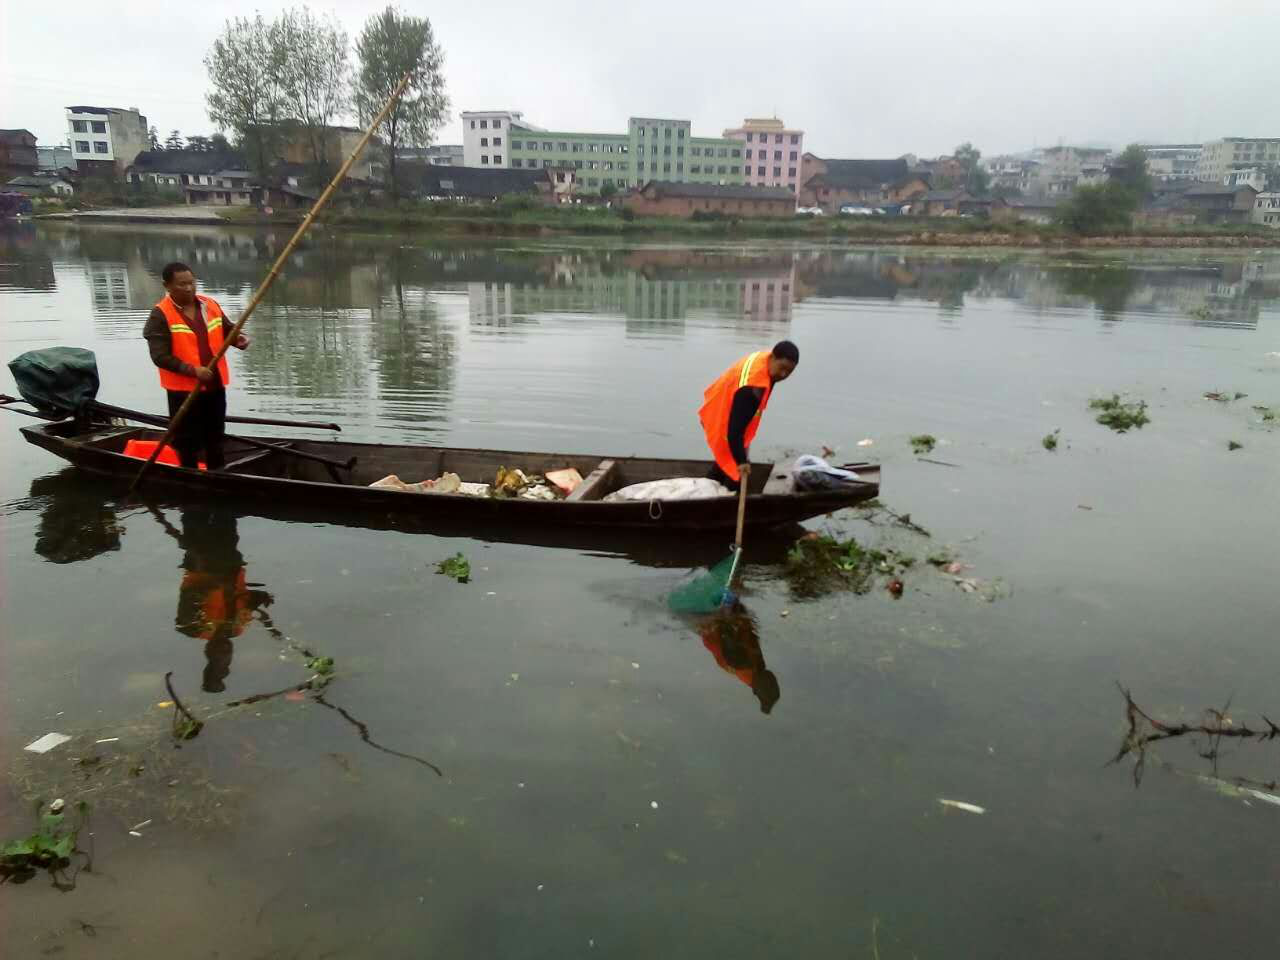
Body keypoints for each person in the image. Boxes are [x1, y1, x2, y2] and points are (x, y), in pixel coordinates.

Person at [143, 261, 249, 469]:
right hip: (183, 391)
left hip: (214, 386)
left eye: (192, 282)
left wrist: (239, 339)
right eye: (182, 284)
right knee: (186, 441)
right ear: (167, 286)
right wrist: (192, 371)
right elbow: (159, 356)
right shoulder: (160, 315)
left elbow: (227, 330)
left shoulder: (210, 305)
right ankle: (189, 476)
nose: (189, 288)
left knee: (215, 436)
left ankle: (217, 475)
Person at [171, 506, 273, 693]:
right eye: (228, 653)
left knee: (196, 516)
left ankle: (195, 493)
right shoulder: (237, 628)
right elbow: (245, 600)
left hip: (201, 560)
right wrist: (261, 598)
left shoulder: (193, 627)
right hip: (231, 561)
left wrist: (217, 584)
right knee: (225, 516)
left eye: (220, 652)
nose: (225, 649)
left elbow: (190, 593)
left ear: (209, 651)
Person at [698, 340, 799, 492]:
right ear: (772, 357)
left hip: (726, 405)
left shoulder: (766, 363)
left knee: (728, 459)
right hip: (721, 416)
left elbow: (740, 426)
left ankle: (707, 491)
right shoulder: (752, 389)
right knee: (736, 471)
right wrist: (742, 462)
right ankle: (720, 504)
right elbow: (734, 433)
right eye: (782, 368)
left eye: (789, 372)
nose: (783, 374)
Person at [699, 603, 780, 715]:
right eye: (774, 682)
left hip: (711, 632)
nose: (773, 678)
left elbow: (724, 629)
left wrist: (728, 609)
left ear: (757, 688)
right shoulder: (759, 669)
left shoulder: (742, 663)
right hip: (724, 635)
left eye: (771, 683)